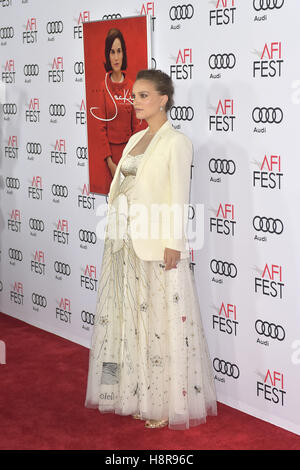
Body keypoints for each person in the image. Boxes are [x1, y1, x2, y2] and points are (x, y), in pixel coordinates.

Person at [85, 69, 217, 430]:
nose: (135, 101)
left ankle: (163, 403)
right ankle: (130, 394)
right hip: (123, 242)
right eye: (134, 95)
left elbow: (178, 197)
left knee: (159, 322)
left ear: (163, 99)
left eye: (143, 95)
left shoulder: (177, 142)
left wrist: (175, 243)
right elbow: (119, 187)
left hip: (157, 244)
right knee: (128, 321)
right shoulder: (133, 140)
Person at [90, 28, 147, 179]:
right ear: (108, 55)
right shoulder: (103, 87)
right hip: (109, 158)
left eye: (119, 51)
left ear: (123, 54)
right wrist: (110, 163)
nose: (116, 57)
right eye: (112, 52)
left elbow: (137, 126)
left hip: (129, 154)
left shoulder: (131, 86)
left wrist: (130, 158)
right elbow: (100, 127)